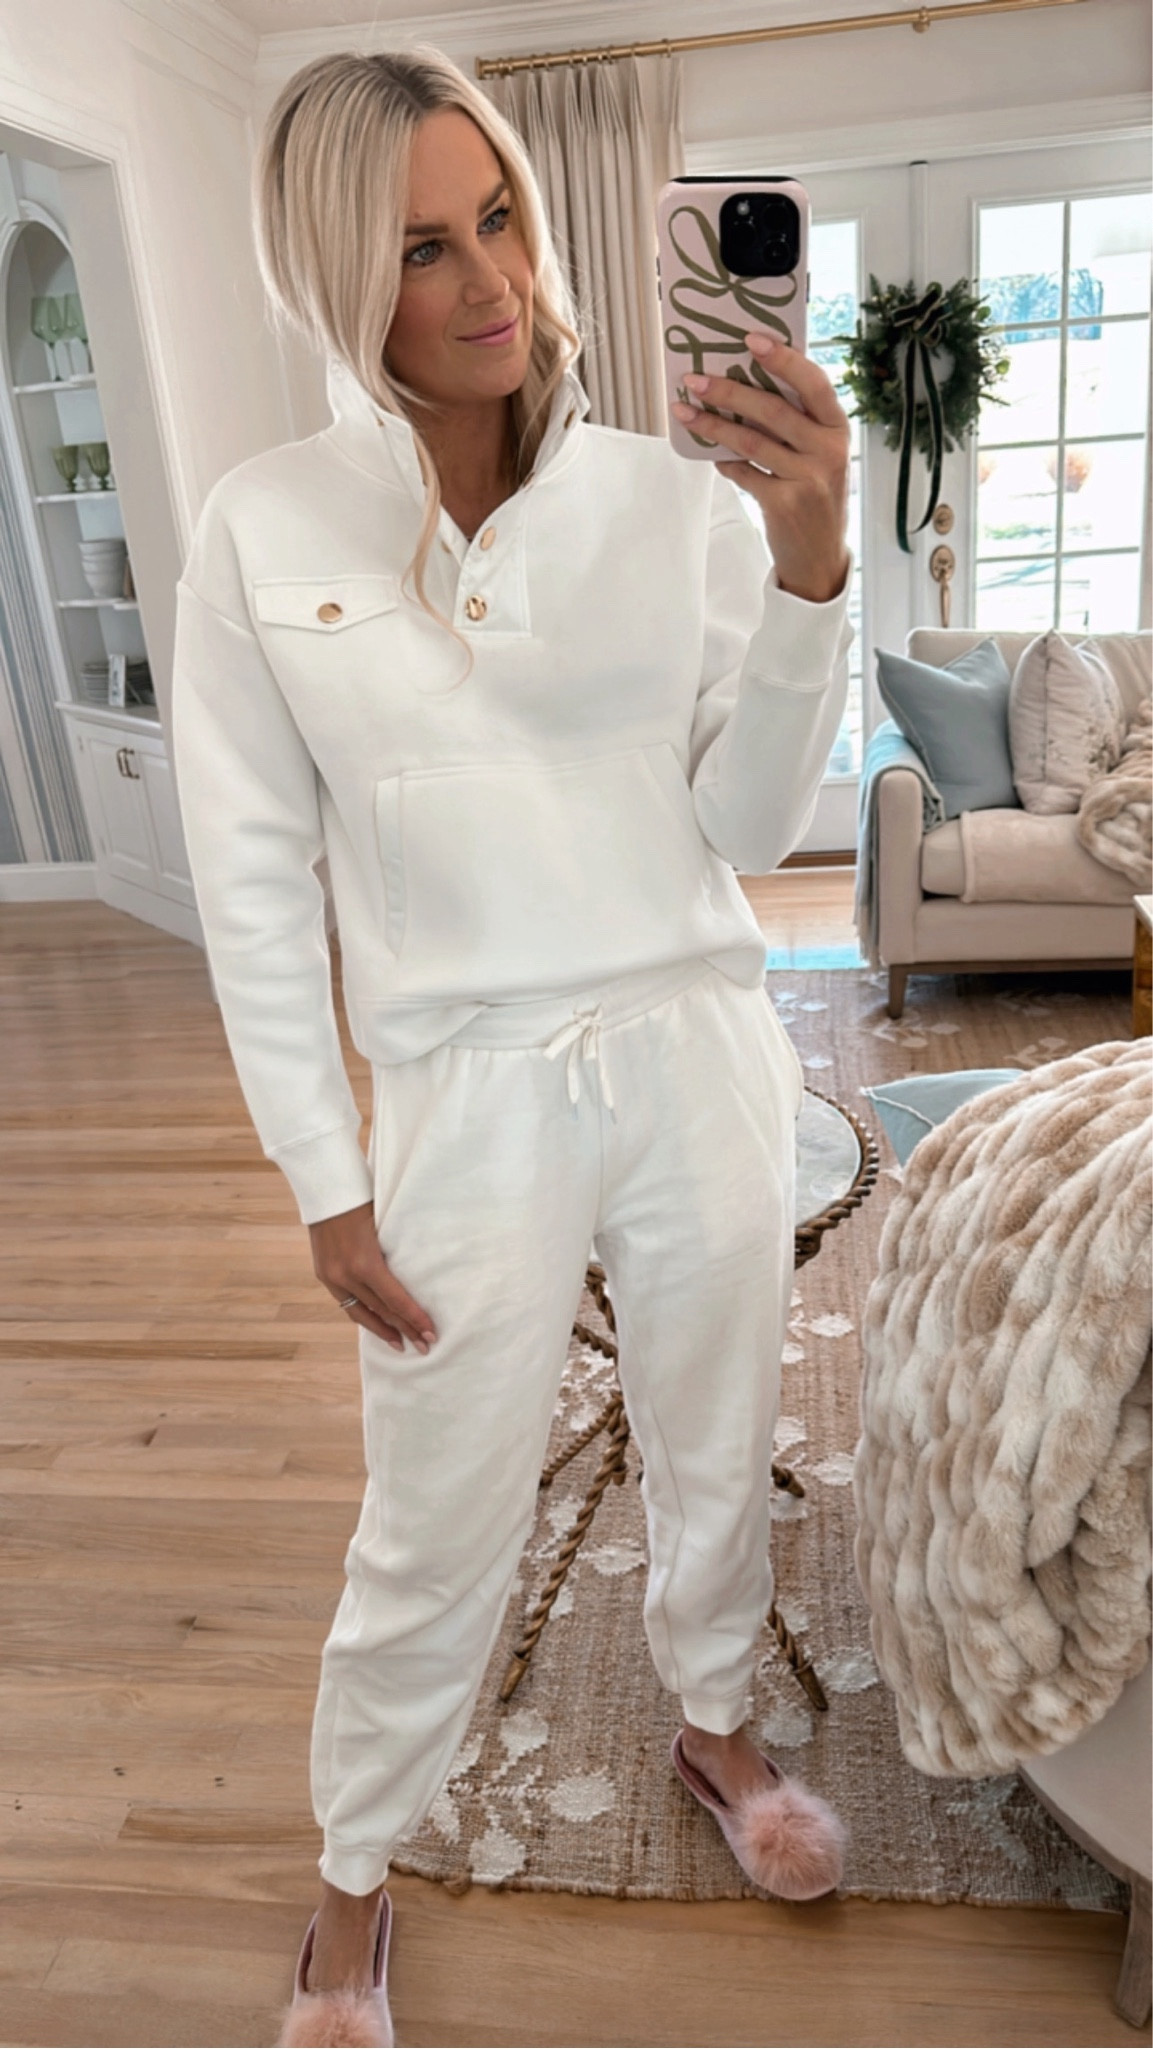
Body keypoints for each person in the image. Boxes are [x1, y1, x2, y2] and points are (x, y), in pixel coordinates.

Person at [170, 45, 856, 2047]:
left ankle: (712, 1725)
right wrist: (324, 1175)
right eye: (417, 248)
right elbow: (249, 877)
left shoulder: (670, 497)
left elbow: (747, 829)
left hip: (689, 1039)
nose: (487, 281)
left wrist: (810, 570)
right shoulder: (262, 530)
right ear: (331, 274)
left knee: (715, 1425)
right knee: (433, 1503)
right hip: (461, 1091)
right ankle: (352, 1871)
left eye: (499, 221)